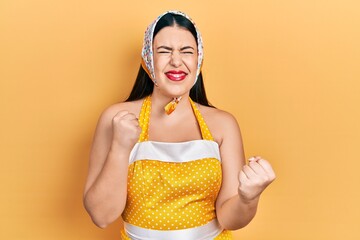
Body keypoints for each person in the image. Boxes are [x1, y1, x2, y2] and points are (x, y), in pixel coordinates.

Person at [83, 10, 276, 240]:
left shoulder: (223, 124)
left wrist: (248, 197)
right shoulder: (116, 119)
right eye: (164, 51)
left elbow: (228, 219)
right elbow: (101, 216)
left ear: (198, 60)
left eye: (187, 51)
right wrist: (120, 146)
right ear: (148, 58)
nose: (176, 61)